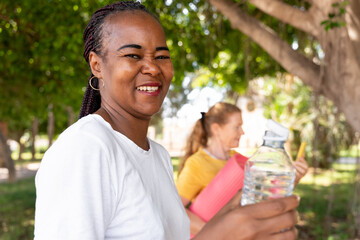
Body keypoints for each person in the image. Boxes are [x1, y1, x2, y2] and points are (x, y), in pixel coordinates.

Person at [34, 1, 300, 239]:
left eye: (162, 56)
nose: (152, 67)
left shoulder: (157, 155)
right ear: (97, 65)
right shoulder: (85, 149)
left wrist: (237, 212)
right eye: (133, 55)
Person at [176, 102, 308, 236]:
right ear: (217, 129)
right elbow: (174, 210)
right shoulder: (197, 164)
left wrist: (292, 178)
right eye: (237, 127)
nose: (242, 132)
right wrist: (218, 234)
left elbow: (262, 194)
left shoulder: (239, 160)